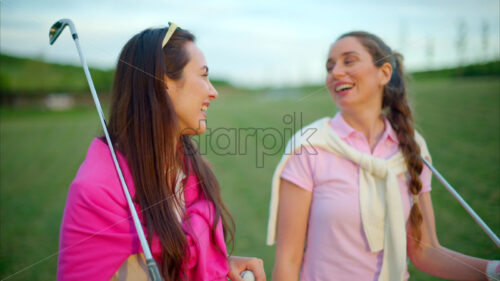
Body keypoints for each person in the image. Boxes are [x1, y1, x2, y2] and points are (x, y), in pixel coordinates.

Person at [267, 31, 499, 281]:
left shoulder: (412, 149)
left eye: (349, 60)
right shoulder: (309, 146)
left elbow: (425, 252)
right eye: (330, 65)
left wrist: (493, 272)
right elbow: (288, 261)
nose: (334, 72)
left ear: (384, 73)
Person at [57, 23, 265, 281]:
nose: (214, 91)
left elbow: (177, 259)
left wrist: (221, 264)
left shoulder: (191, 169)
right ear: (164, 83)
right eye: (203, 76)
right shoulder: (94, 192)